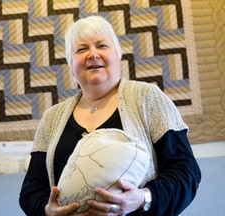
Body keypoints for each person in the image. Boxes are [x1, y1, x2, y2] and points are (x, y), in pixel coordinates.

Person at [19, 15, 201, 216]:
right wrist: (47, 211)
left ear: (118, 55)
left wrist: (143, 198)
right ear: (71, 64)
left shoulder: (148, 98)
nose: (92, 54)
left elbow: (186, 171)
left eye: (102, 46)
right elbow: (31, 189)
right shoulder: (51, 119)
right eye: (81, 49)